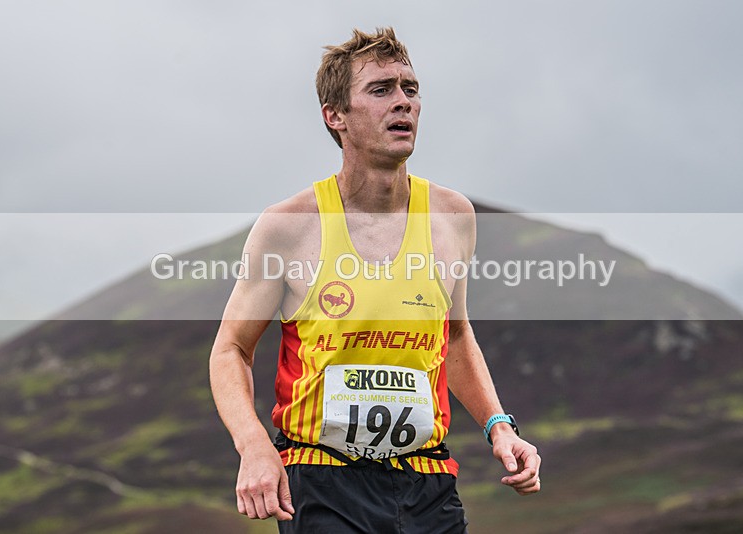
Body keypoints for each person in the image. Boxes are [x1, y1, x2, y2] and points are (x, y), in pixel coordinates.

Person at [209, 27, 541, 533]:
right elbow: (231, 349)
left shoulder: (453, 216)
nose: (403, 102)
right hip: (322, 479)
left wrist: (499, 427)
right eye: (382, 89)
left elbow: (453, 335)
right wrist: (254, 446)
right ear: (335, 116)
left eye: (411, 89)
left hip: (427, 480)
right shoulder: (289, 226)